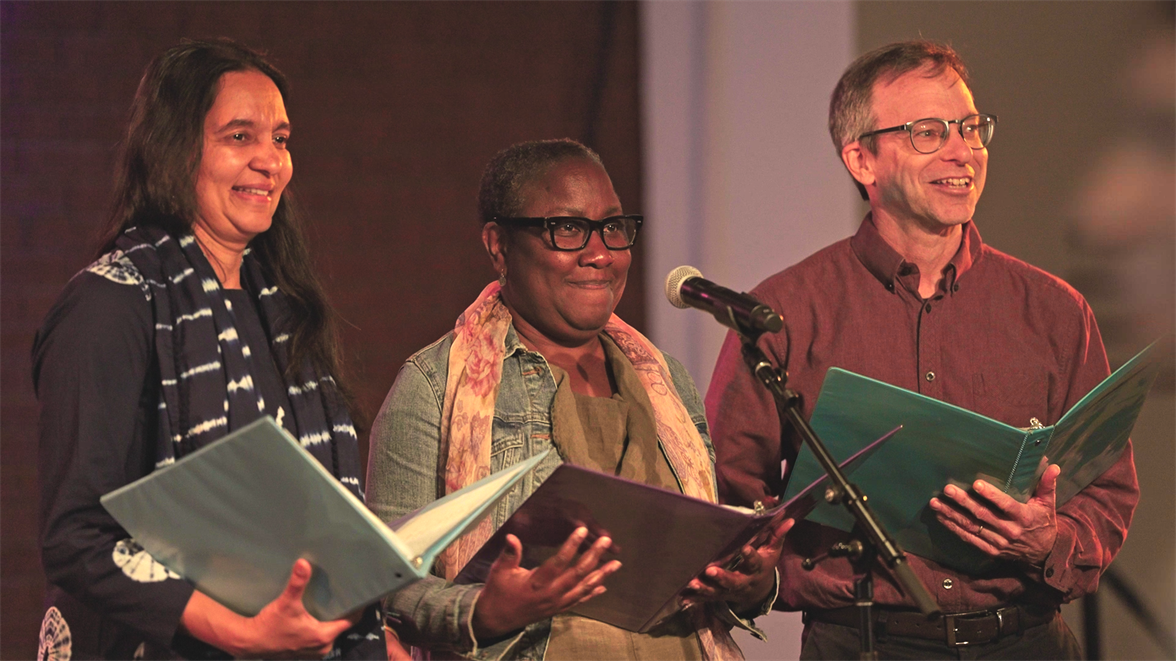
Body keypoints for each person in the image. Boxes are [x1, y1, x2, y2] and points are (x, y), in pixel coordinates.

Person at [705, 41, 1138, 659]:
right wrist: (755, 568)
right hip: (862, 643)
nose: (963, 152)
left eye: (970, 128)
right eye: (928, 133)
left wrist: (1053, 542)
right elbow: (732, 497)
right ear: (862, 160)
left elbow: (1108, 488)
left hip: (1027, 640)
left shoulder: (1054, 311)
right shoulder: (785, 311)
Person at [366, 138, 790, 661]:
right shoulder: (433, 386)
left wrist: (745, 584)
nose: (599, 254)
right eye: (567, 229)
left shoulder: (666, 382)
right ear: (499, 245)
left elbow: (696, 566)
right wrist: (485, 612)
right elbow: (383, 585)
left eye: (613, 228)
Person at [34, 39, 383, 660]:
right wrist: (243, 632)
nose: (270, 161)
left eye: (280, 138)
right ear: (175, 151)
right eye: (239, 137)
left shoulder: (285, 308)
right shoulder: (110, 304)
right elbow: (76, 535)